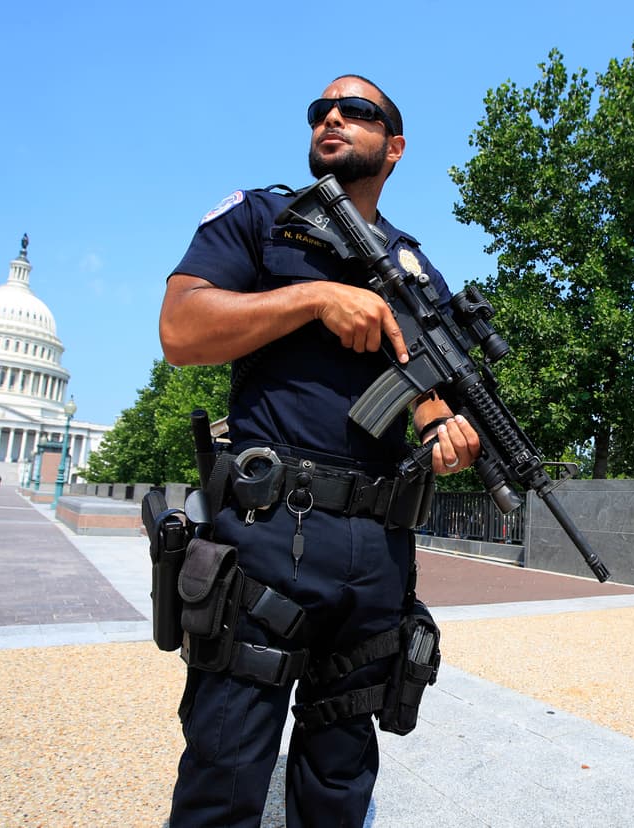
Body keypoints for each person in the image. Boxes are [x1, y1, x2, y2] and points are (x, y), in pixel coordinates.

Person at [157, 75, 481, 826]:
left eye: (357, 111)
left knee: (340, 780)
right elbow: (181, 331)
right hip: (268, 528)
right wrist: (313, 298)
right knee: (227, 767)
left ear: (393, 148)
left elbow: (421, 375)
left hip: (376, 549)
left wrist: (443, 427)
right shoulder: (261, 219)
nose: (332, 117)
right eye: (321, 111)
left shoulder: (414, 267)